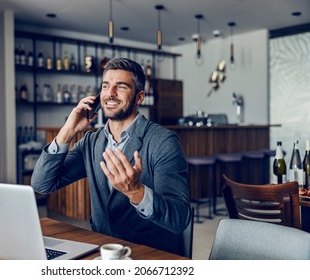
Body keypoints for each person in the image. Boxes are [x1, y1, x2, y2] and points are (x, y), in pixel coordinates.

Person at [31, 57, 191, 256]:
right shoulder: (91, 142)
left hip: (148, 254)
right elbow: (41, 184)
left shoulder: (163, 141)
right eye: (105, 86)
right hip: (103, 251)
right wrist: (68, 130)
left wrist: (137, 192)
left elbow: (180, 217)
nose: (110, 93)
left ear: (139, 97)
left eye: (121, 87)